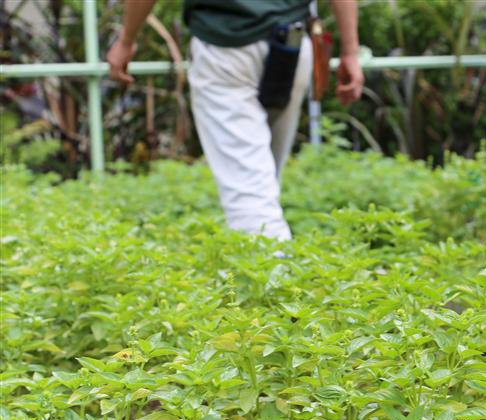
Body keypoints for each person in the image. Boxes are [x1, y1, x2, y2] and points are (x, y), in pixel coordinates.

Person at [107, 0, 365, 241]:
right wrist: (351, 52)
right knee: (260, 180)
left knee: (249, 192)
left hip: (225, 49)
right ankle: (273, 269)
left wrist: (127, 39)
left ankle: (276, 280)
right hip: (293, 43)